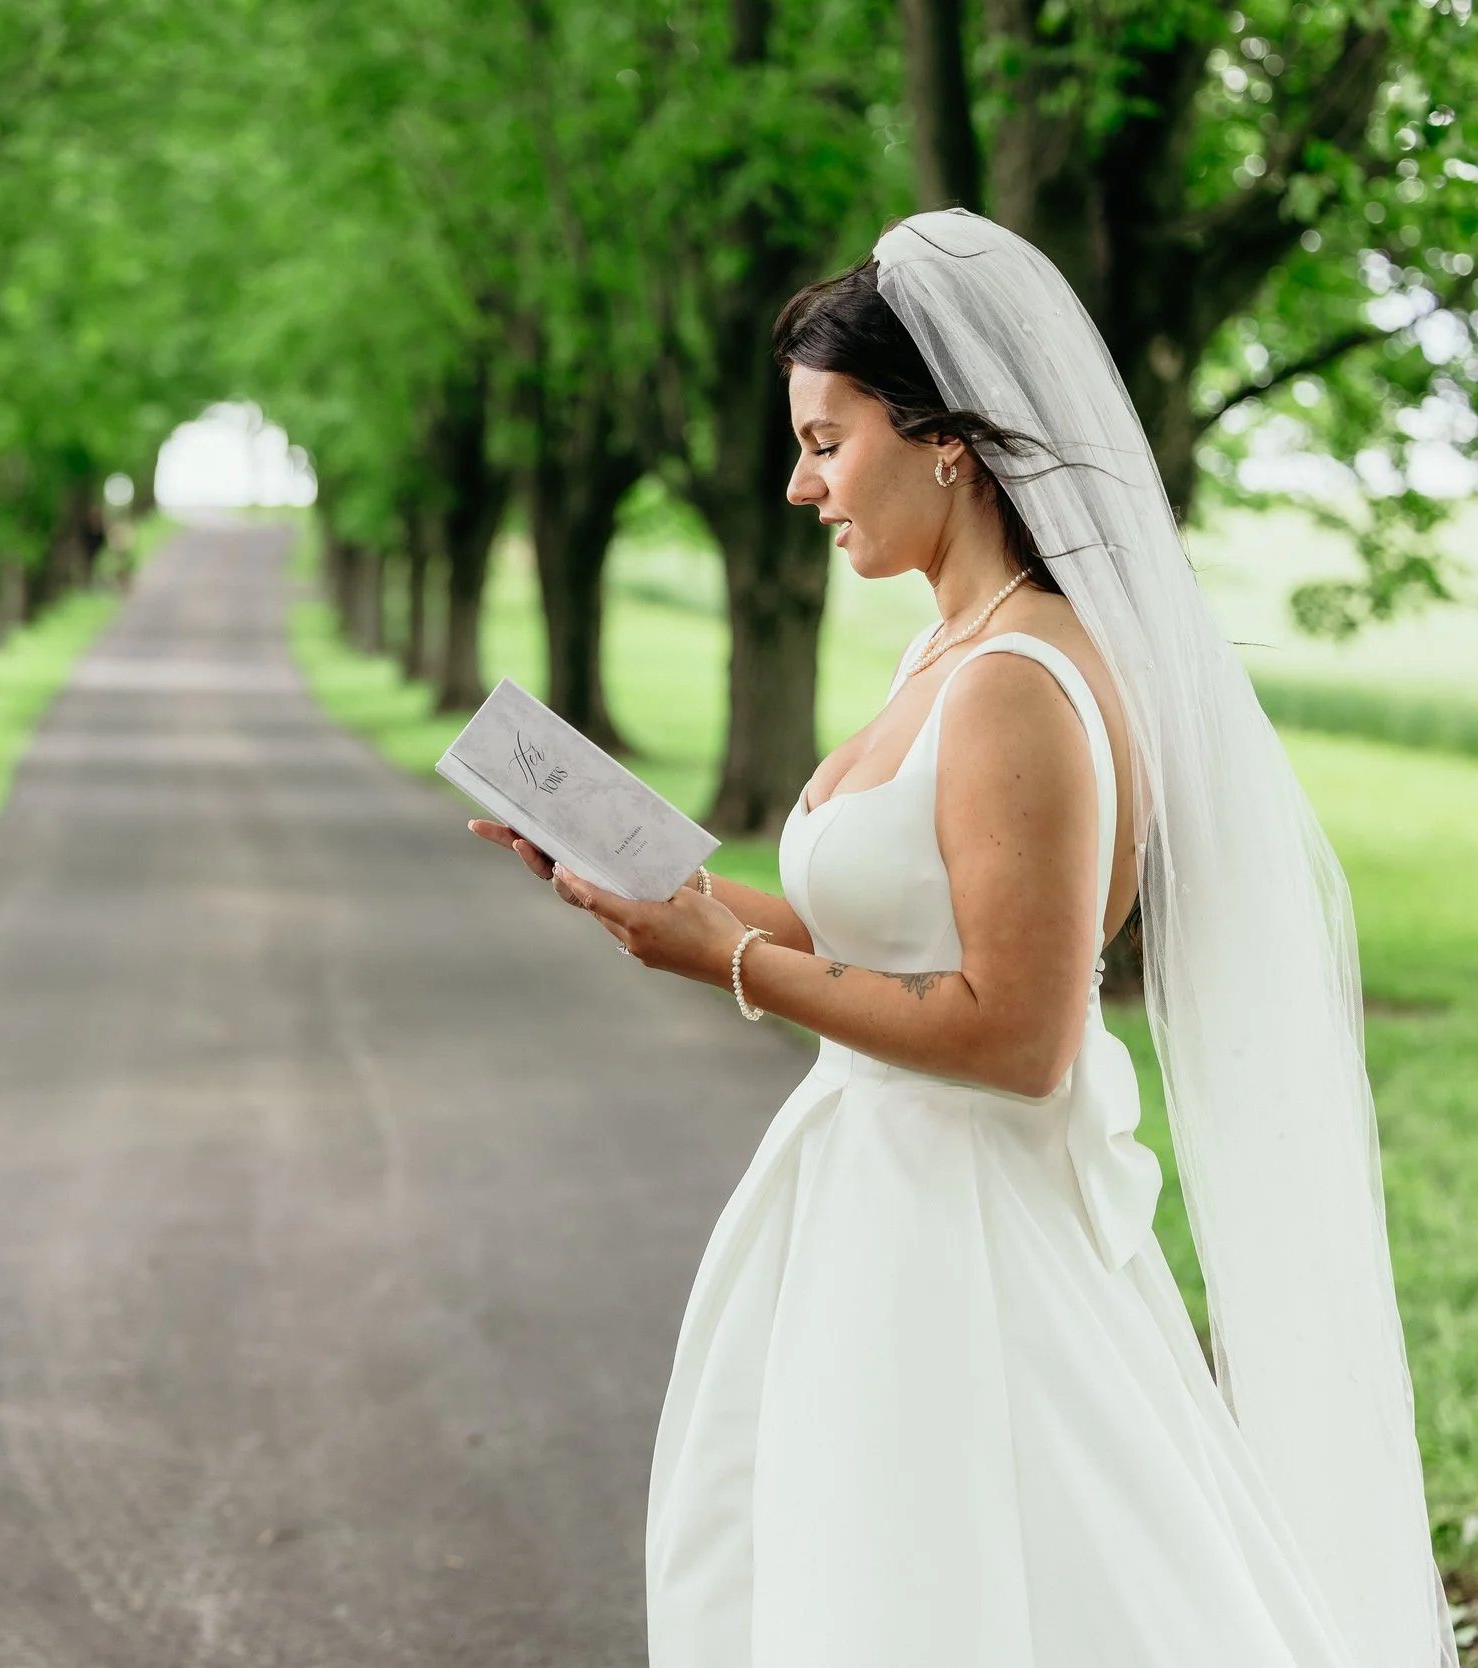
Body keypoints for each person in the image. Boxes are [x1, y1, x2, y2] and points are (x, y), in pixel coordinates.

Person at [474, 210, 1452, 1665]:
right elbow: (870, 931)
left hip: (965, 1245)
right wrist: (649, 888)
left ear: (945, 439)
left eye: (825, 439)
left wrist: (729, 965)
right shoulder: (944, 648)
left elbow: (1017, 1032)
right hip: (874, 1205)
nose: (800, 484)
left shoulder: (1016, 682)